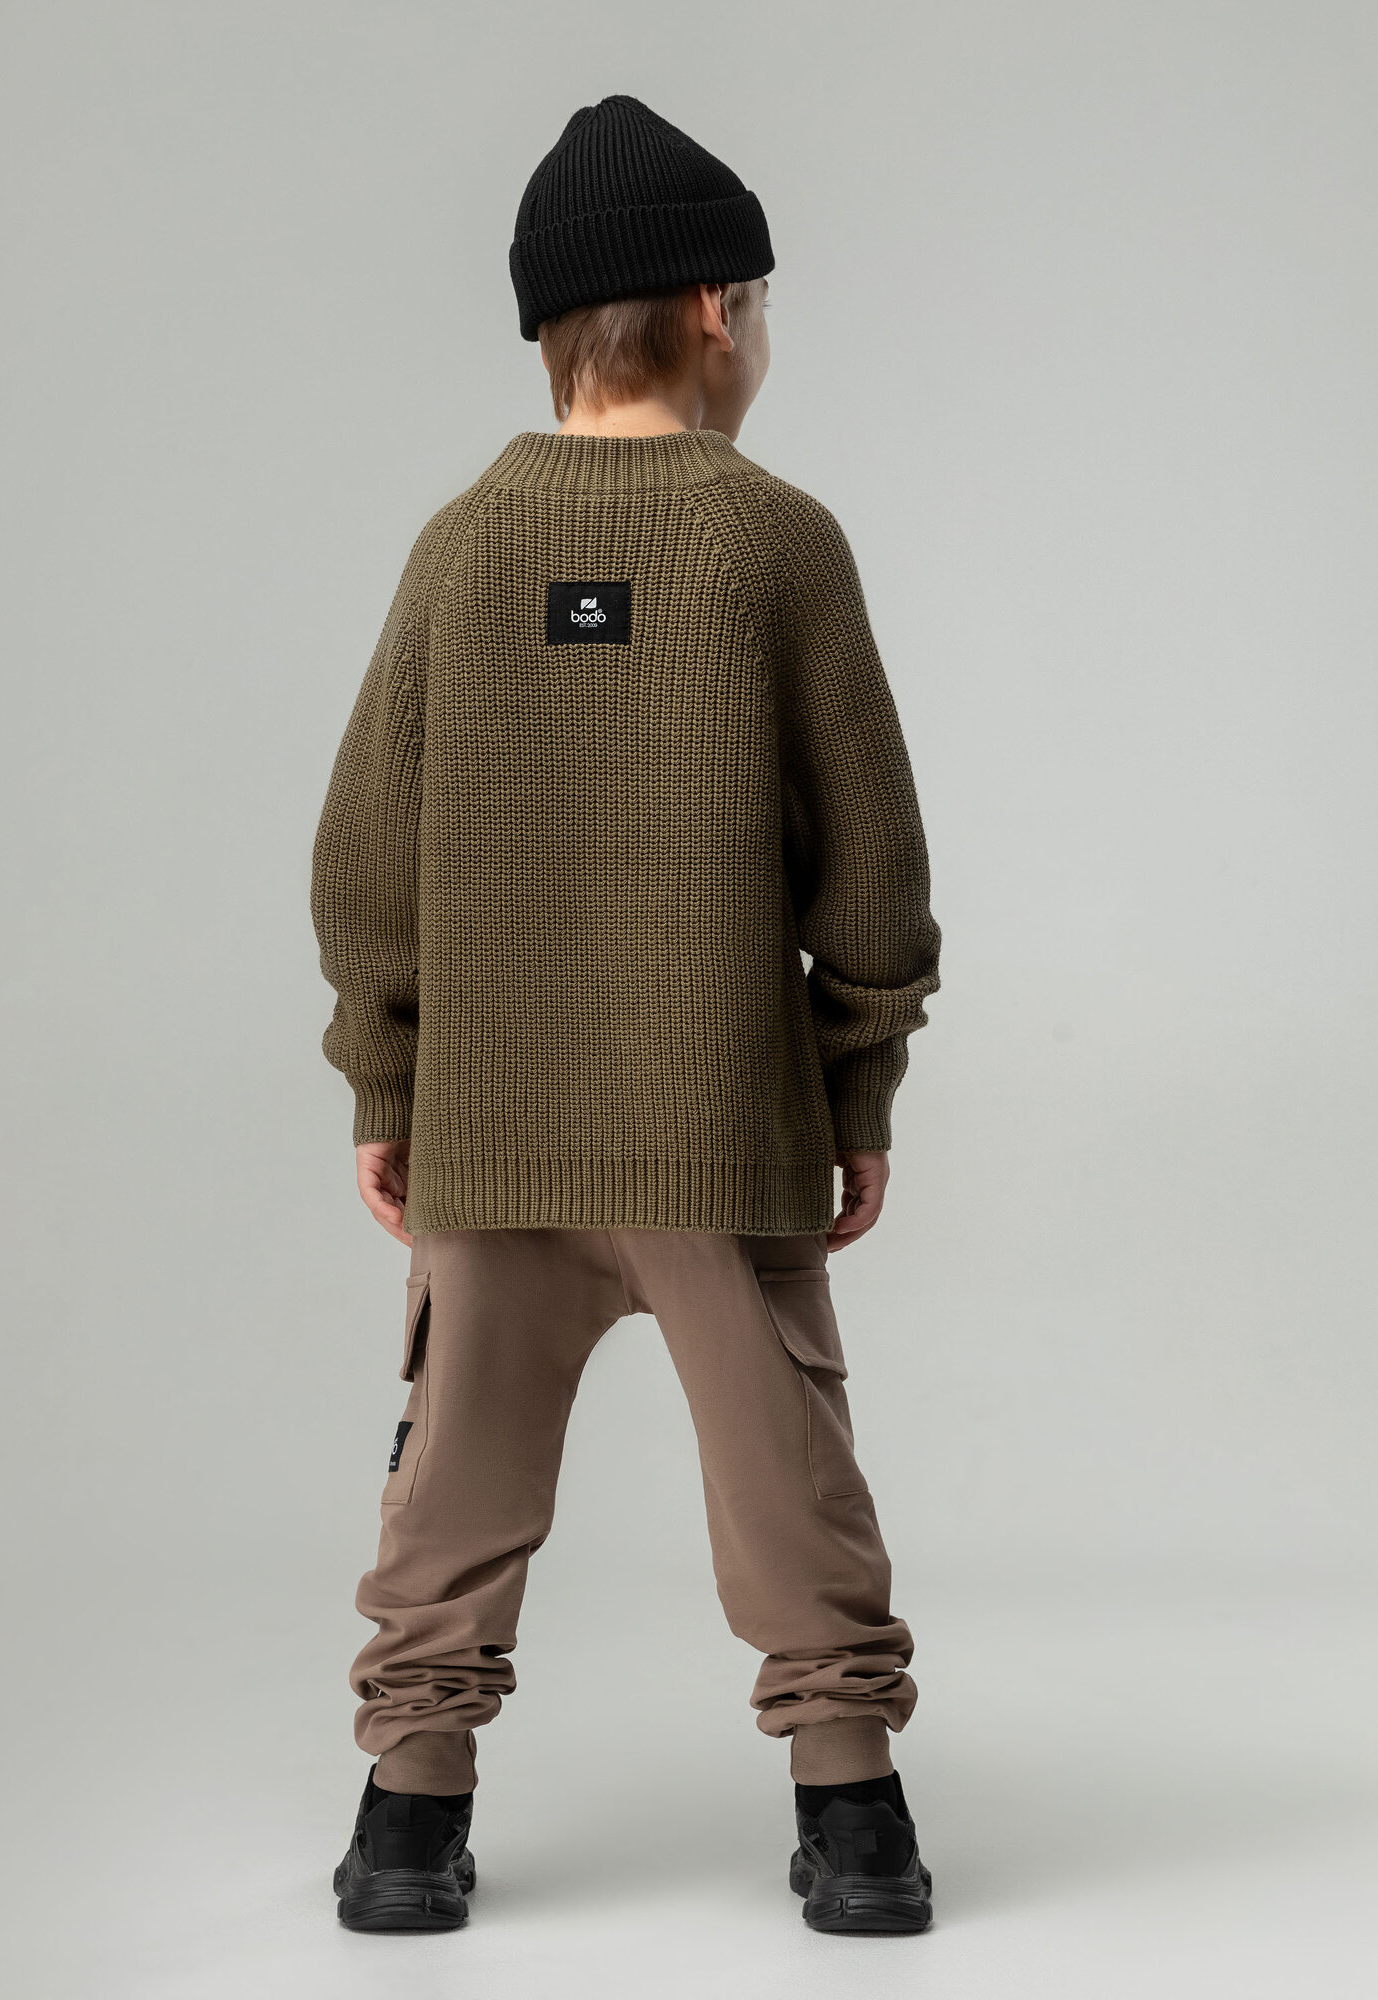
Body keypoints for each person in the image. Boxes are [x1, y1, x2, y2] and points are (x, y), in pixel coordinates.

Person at [313, 93, 942, 1936]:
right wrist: (858, 1087)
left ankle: (409, 1824)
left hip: (493, 1131)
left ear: (549, 330)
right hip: (720, 1126)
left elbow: (364, 856)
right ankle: (855, 1823)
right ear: (718, 312)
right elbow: (874, 871)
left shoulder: (461, 545)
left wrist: (386, 1078)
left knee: (452, 1485)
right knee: (790, 1478)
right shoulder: (778, 543)